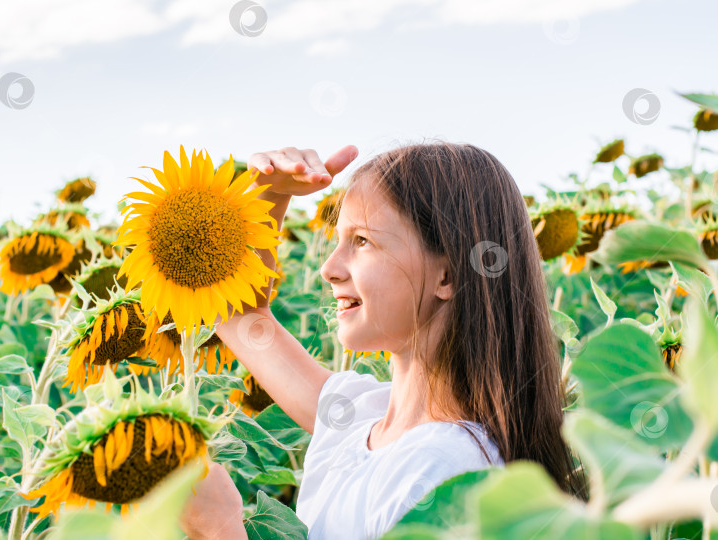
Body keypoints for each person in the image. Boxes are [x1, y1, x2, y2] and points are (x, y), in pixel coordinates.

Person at [179, 142, 586, 539]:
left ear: (447, 276)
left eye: (362, 241)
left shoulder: (444, 475)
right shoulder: (359, 417)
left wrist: (219, 529)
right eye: (337, 240)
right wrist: (269, 195)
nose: (329, 268)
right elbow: (240, 313)